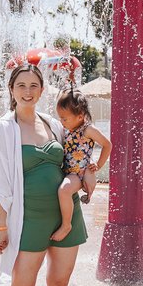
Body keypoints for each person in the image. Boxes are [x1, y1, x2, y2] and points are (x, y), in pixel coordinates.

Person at [0, 63, 88, 286]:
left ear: (42, 90)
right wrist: (1, 227)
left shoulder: (54, 124)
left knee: (58, 285)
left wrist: (88, 173)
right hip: (28, 219)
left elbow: (75, 160)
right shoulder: (3, 128)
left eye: (34, 86)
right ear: (12, 91)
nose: (27, 92)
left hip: (66, 215)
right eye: (21, 86)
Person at [51, 87, 112, 241]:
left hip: (78, 174)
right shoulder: (68, 128)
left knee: (64, 191)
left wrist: (97, 165)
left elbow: (107, 145)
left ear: (80, 116)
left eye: (65, 118)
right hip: (68, 171)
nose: (61, 122)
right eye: (60, 118)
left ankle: (66, 225)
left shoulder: (88, 130)